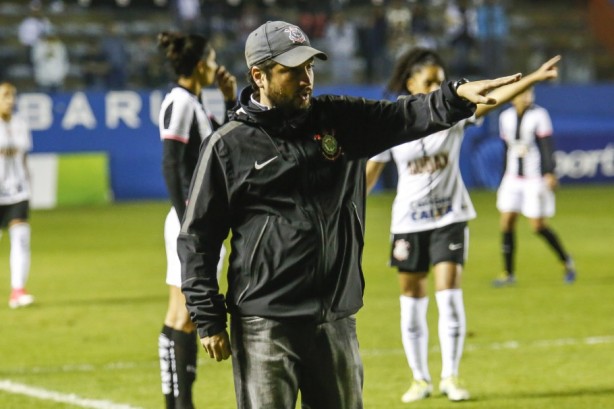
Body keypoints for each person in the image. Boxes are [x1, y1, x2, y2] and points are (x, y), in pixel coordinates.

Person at [176, 20, 521, 409]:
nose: (306, 79)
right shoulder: (228, 146)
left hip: (335, 316)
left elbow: (405, 116)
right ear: (259, 75)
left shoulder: (339, 119)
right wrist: (207, 317)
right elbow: (197, 238)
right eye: (291, 71)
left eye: (309, 67)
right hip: (265, 321)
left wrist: (455, 96)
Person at [365, 49, 561, 403]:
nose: (440, 86)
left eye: (442, 80)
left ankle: (451, 376)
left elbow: (493, 99)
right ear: (411, 84)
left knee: (450, 295)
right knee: (411, 300)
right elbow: (370, 174)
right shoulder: (391, 120)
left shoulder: (454, 113)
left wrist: (531, 78)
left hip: (450, 217)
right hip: (408, 222)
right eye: (431, 81)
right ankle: (419, 378)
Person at [157, 31, 237, 409]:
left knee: (180, 314)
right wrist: (186, 216)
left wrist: (228, 100)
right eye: (214, 56)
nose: (217, 63)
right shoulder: (180, 101)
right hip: (190, 222)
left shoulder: (191, 101)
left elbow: (221, 147)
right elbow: (172, 162)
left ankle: (176, 401)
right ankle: (181, 403)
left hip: (193, 221)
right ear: (201, 62)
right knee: (186, 315)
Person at [493, 87, 576, 286]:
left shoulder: (540, 115)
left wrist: (550, 172)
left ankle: (566, 260)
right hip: (512, 177)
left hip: (534, 178)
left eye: (528, 93)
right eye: (521, 93)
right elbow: (506, 148)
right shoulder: (505, 117)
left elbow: (547, 144)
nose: (526, 97)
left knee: (538, 226)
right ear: (512, 96)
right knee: (506, 222)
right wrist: (503, 174)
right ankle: (508, 273)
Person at [0, 82, 34, 309]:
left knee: (21, 238)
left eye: (12, 96)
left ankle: (18, 290)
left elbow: (24, 157)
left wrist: (29, 184)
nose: (10, 100)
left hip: (18, 191)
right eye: (5, 96)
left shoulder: (21, 123)